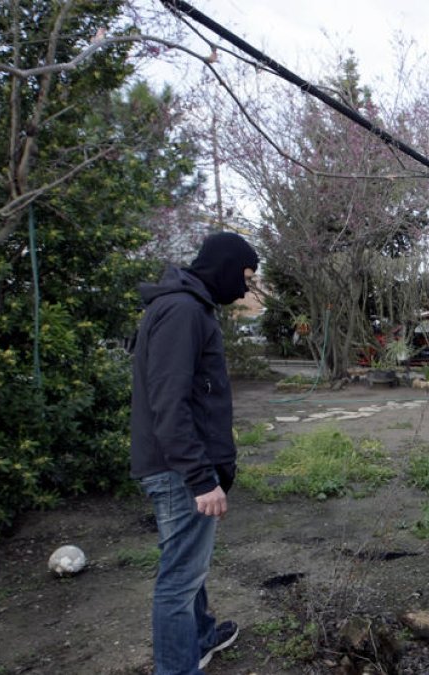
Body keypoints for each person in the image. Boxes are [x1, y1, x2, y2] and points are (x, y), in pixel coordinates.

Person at [130, 231, 259, 674]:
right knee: (179, 580)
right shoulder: (182, 311)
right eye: (244, 276)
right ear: (223, 267)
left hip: (183, 467)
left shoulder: (187, 306)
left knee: (188, 564)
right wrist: (201, 477)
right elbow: (169, 403)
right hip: (179, 472)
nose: (244, 288)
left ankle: (200, 636)